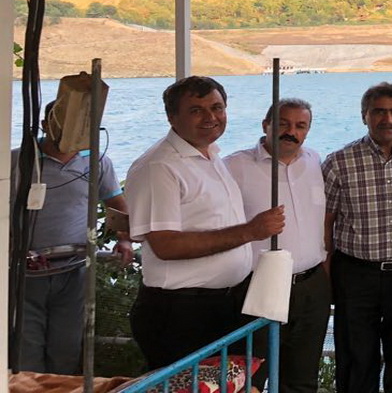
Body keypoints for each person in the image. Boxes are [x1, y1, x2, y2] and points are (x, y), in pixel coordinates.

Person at [127, 76, 286, 369]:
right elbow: (166, 245)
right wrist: (250, 231)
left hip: (226, 305)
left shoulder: (211, 155)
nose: (210, 117)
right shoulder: (159, 166)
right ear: (172, 117)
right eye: (196, 110)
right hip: (181, 312)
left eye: (217, 107)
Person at [322, 82, 392, 393]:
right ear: (365, 116)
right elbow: (325, 222)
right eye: (379, 112)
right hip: (355, 274)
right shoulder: (338, 162)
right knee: (356, 359)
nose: (388, 119)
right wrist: (327, 273)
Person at [14, 101, 132, 374]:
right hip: (24, 273)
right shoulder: (18, 160)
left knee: (66, 349)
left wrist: (125, 239)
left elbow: (117, 205)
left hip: (74, 270)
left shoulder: (96, 161)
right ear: (45, 125)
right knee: (25, 351)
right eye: (63, 125)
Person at [225, 98, 329, 393]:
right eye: (283, 124)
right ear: (266, 125)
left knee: (302, 377)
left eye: (300, 126)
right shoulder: (235, 166)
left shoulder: (314, 161)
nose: (291, 132)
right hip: (260, 284)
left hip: (311, 285)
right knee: (250, 376)